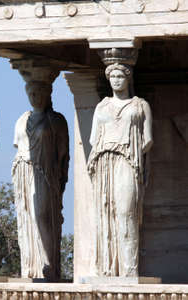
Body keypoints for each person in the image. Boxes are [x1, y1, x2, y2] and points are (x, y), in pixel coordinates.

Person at [87, 63, 153, 277]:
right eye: (112, 76)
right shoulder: (101, 107)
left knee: (126, 212)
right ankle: (108, 269)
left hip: (128, 160)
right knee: (106, 213)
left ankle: (130, 270)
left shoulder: (140, 105)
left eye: (120, 76)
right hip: (104, 161)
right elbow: (92, 139)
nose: (116, 80)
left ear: (128, 78)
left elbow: (148, 139)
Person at [12, 81, 69, 281]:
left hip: (45, 173)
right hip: (23, 171)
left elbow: (63, 154)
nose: (34, 96)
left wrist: (60, 178)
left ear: (47, 94)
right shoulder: (21, 120)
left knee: (43, 215)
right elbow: (17, 146)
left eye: (39, 92)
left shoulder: (56, 120)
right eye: (31, 92)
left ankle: (50, 264)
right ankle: (32, 265)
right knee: (27, 216)